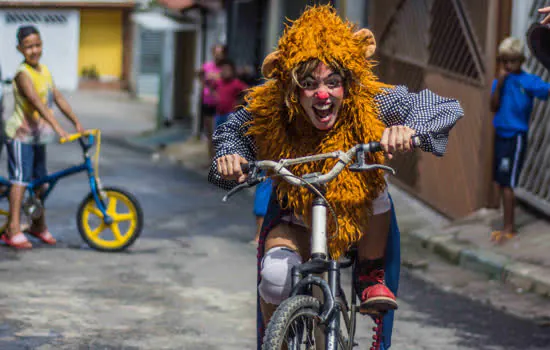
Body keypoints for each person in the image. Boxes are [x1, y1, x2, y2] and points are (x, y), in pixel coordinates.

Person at [208, 6, 463, 349]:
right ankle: (277, 341)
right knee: (273, 278)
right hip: (295, 216)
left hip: (357, 215)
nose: (323, 95)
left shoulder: (371, 101)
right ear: (292, 88)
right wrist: (231, 155)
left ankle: (370, 274)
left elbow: (444, 107)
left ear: (348, 83)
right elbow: (234, 130)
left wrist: (409, 129)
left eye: (333, 83)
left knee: (375, 188)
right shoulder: (275, 108)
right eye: (309, 84)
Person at [0, 25, 82, 249]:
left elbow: (58, 98)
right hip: (20, 136)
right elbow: (36, 102)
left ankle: (38, 224)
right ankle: (13, 229)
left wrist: (76, 122)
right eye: (28, 47)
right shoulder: (22, 74)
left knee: (41, 183)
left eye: (37, 45)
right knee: (20, 180)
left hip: (38, 138)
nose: (34, 50)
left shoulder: (44, 71)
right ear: (20, 49)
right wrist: (58, 128)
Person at [489, 37, 550, 244]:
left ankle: (509, 228)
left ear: (521, 60)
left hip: (515, 138)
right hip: (501, 134)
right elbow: (493, 106)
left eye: (512, 61)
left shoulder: (528, 81)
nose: (508, 65)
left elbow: (546, 91)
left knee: (508, 184)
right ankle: (505, 223)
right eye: (504, 61)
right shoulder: (500, 81)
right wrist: (500, 83)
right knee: (500, 181)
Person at [198, 44, 226, 160]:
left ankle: (220, 160)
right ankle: (211, 159)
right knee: (210, 134)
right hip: (208, 102)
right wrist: (205, 87)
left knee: (220, 134)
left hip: (221, 105)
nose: (218, 56)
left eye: (220, 54)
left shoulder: (225, 68)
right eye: (216, 53)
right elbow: (199, 74)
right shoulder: (207, 67)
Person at [212, 59, 248, 129]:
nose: (225, 72)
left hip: (230, 114)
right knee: (217, 134)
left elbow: (247, 91)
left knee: (227, 134)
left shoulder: (236, 83)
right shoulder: (219, 82)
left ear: (232, 71)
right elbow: (212, 88)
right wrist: (215, 96)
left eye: (228, 70)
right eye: (223, 70)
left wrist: (239, 102)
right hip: (218, 114)